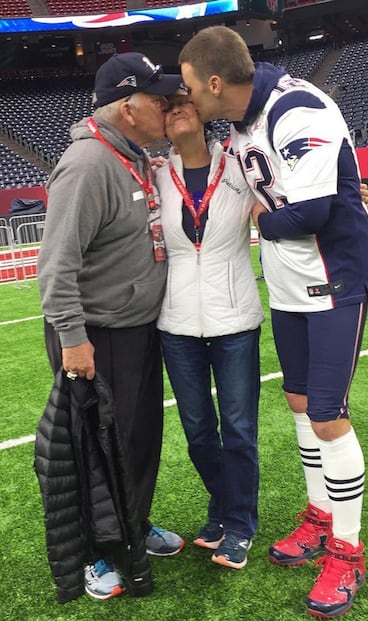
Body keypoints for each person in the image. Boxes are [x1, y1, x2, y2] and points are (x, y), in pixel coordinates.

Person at [179, 26, 368, 618]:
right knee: (298, 403)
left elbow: (314, 210)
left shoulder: (298, 106)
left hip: (335, 282)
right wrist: (276, 211)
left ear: (216, 83)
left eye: (190, 87)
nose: (187, 97)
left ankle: (349, 551)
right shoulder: (240, 125)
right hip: (290, 290)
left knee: (327, 414)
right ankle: (319, 517)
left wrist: (267, 221)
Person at [37, 52, 184, 601]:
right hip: (97, 334)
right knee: (94, 450)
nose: (167, 108)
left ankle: (132, 525)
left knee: (138, 441)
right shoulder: (88, 164)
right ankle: (99, 551)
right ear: (128, 107)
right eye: (159, 100)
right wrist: (74, 339)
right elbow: (55, 265)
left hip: (137, 329)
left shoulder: (132, 155)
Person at [155, 93, 264, 569]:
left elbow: (283, 197)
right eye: (168, 106)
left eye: (185, 102)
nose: (177, 109)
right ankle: (223, 507)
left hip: (235, 318)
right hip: (176, 322)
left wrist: (350, 195)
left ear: (203, 113)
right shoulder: (155, 173)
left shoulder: (239, 166)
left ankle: (239, 524)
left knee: (239, 431)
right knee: (199, 431)